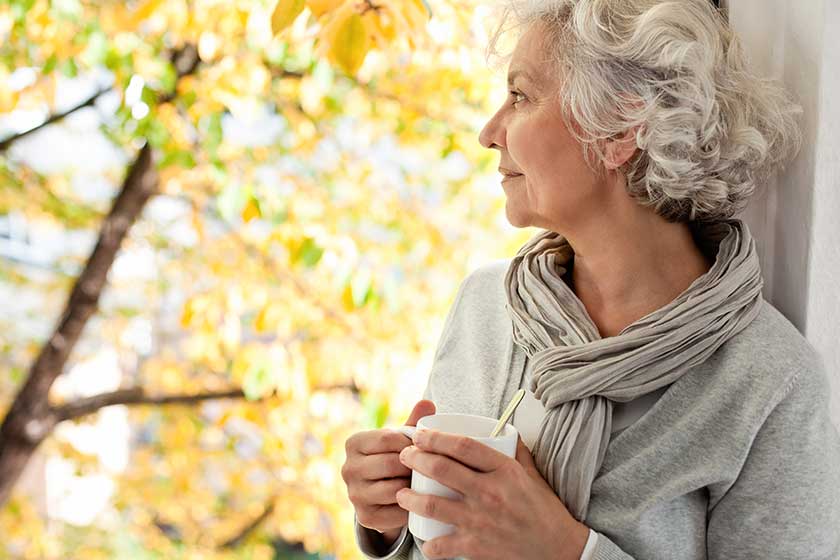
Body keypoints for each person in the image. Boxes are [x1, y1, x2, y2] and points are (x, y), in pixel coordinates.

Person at [341, 0, 840, 558]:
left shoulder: (770, 384)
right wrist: (391, 517)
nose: (489, 132)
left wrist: (565, 550)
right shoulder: (486, 306)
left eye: (520, 96)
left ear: (619, 128)